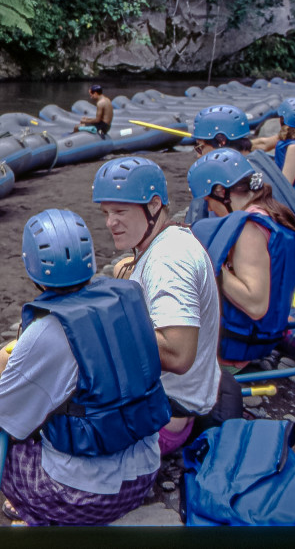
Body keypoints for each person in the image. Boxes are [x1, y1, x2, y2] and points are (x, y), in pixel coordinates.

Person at [0, 209, 167, 526]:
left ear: (32, 267)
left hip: (84, 498)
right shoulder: (124, 300)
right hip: (143, 475)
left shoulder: (47, 332)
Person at [90, 156, 233, 457]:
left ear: (154, 205)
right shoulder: (167, 240)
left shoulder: (169, 261)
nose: (109, 222)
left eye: (120, 211)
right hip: (171, 398)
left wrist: (100, 326)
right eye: (106, 212)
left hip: (165, 418)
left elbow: (179, 354)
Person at [187, 149, 295, 372]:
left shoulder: (249, 228)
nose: (210, 208)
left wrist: (206, 261)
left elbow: (255, 305)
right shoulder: (282, 215)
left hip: (234, 347)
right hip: (268, 337)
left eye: (209, 200)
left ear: (221, 192)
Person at [185, 104, 295, 228]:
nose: (198, 156)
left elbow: (196, 229)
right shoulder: (260, 159)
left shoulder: (225, 177)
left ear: (221, 142)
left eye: (200, 148)